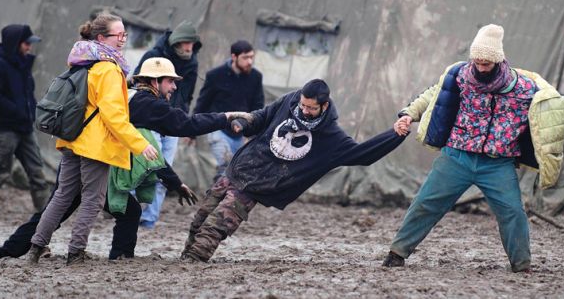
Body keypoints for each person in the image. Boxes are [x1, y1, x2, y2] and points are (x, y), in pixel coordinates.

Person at [0, 57, 251, 261]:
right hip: (94, 161)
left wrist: (174, 182)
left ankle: (11, 250)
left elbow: (148, 152)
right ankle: (113, 257)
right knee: (119, 210)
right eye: (170, 81)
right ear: (155, 81)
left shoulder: (130, 95)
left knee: (59, 208)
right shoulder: (148, 104)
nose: (173, 87)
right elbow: (186, 125)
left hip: (79, 152)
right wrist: (225, 117)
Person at [381, 24, 564, 273]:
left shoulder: (525, 89)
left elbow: (563, 106)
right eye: (477, 61)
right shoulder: (460, 76)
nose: (480, 67)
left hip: (497, 163)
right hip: (457, 156)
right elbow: (432, 95)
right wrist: (409, 114)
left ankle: (522, 265)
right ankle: (397, 253)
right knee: (426, 203)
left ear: (498, 61)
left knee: (513, 213)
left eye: (486, 63)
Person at [180, 79, 406, 263]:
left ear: (324, 106)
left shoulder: (332, 138)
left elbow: (364, 154)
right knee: (200, 218)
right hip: (239, 167)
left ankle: (194, 261)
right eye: (303, 105)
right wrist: (244, 124)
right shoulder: (289, 100)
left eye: (311, 108)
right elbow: (263, 116)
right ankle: (185, 257)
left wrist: (394, 135)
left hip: (259, 186)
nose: (305, 110)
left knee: (217, 226)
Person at [27, 13, 159, 266]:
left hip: (72, 139)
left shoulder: (82, 61)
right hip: (95, 146)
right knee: (92, 199)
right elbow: (114, 115)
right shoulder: (109, 69)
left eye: (124, 34)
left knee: (63, 195)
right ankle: (76, 252)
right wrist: (140, 144)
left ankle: (36, 246)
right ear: (101, 38)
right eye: (118, 35)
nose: (123, 40)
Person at [133, 20, 201, 229]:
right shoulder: (152, 57)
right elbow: (138, 85)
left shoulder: (191, 63)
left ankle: (149, 220)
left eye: (192, 43)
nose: (189, 48)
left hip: (173, 121)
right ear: (175, 43)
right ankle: (129, 215)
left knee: (164, 173)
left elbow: (187, 95)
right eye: (185, 43)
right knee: (142, 170)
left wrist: (185, 123)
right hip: (151, 120)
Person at [0, 24, 50, 214]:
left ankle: (43, 209)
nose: (29, 47)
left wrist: (32, 111)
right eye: (26, 43)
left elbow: (28, 93)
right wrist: (15, 111)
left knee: (36, 167)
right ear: (16, 43)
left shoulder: (23, 64)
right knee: (0, 165)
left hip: (26, 127)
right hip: (5, 128)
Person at [193, 40, 264, 181]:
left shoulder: (256, 77)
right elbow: (203, 102)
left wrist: (252, 133)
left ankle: (223, 199)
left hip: (242, 131)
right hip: (218, 129)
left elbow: (258, 106)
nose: (250, 61)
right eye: (245, 57)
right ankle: (214, 199)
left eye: (251, 57)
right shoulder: (215, 75)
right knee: (224, 166)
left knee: (236, 171)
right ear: (234, 57)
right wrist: (191, 131)